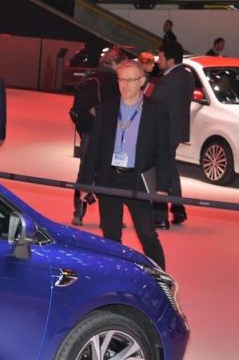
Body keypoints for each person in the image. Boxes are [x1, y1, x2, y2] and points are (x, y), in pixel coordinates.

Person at [78, 60, 171, 269]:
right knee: (111, 236)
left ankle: (161, 279)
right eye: (121, 79)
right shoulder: (106, 108)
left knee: (147, 235)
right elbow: (94, 148)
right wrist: (84, 182)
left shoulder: (156, 110)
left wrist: (163, 187)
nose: (124, 85)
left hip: (138, 179)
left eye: (130, 80)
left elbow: (163, 151)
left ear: (142, 81)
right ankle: (116, 276)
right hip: (109, 178)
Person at [71, 47, 121, 225]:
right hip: (105, 134)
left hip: (87, 131)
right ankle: (109, 216)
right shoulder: (114, 81)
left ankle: (78, 213)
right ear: (116, 63)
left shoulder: (90, 75)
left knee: (85, 171)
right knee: (108, 174)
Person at [151, 40, 193, 228]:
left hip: (163, 133)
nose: (158, 61)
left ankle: (160, 217)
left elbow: (153, 104)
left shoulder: (167, 81)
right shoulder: (187, 76)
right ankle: (178, 208)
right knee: (170, 170)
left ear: (170, 60)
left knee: (161, 172)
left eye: (160, 58)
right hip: (177, 132)